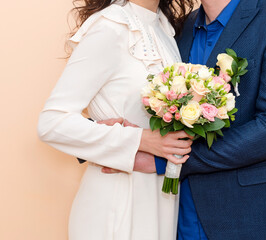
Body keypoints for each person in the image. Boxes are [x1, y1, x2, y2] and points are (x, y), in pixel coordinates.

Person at [102, 0, 266, 239]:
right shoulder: (178, 28)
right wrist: (122, 135)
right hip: (178, 216)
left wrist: (164, 162)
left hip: (254, 218)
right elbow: (166, 109)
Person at [37, 0, 195, 239]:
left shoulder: (165, 29)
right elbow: (52, 123)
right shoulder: (111, 27)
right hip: (118, 197)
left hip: (161, 197)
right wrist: (141, 139)